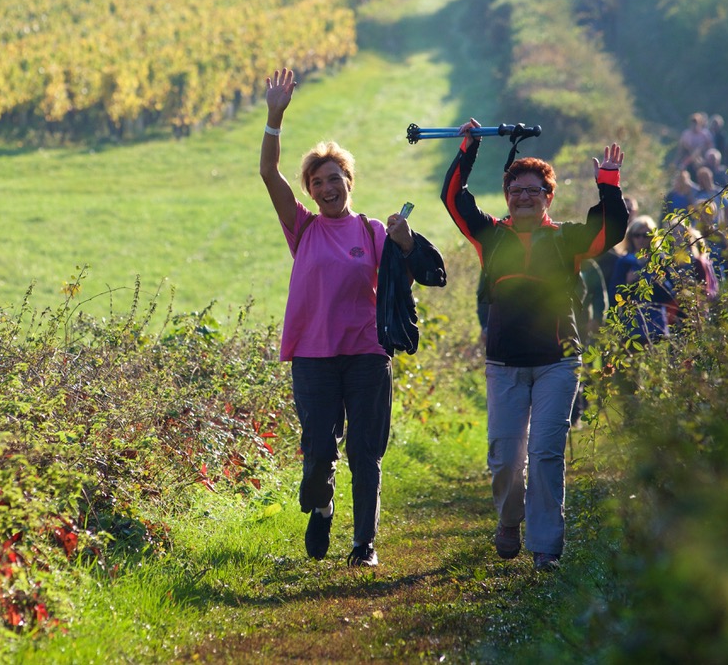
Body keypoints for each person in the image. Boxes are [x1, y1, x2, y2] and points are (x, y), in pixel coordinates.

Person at [260, 67, 443, 569]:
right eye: (317, 182)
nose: (326, 188)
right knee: (319, 452)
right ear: (311, 191)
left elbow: (416, 271)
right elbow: (268, 174)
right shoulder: (302, 229)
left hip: (366, 354)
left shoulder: (372, 231)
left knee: (366, 452)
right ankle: (321, 506)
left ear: (349, 182)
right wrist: (275, 117)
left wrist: (405, 239)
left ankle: (364, 545)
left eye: (334, 179)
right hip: (314, 358)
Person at [441, 119, 628, 571]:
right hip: (504, 363)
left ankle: (546, 546)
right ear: (507, 197)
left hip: (557, 363)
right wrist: (469, 149)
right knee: (506, 457)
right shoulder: (491, 236)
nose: (525, 197)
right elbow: (453, 198)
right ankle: (509, 521)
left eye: (535, 191)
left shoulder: (566, 239)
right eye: (517, 190)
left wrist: (608, 181)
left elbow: (612, 229)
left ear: (549, 197)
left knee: (545, 453)